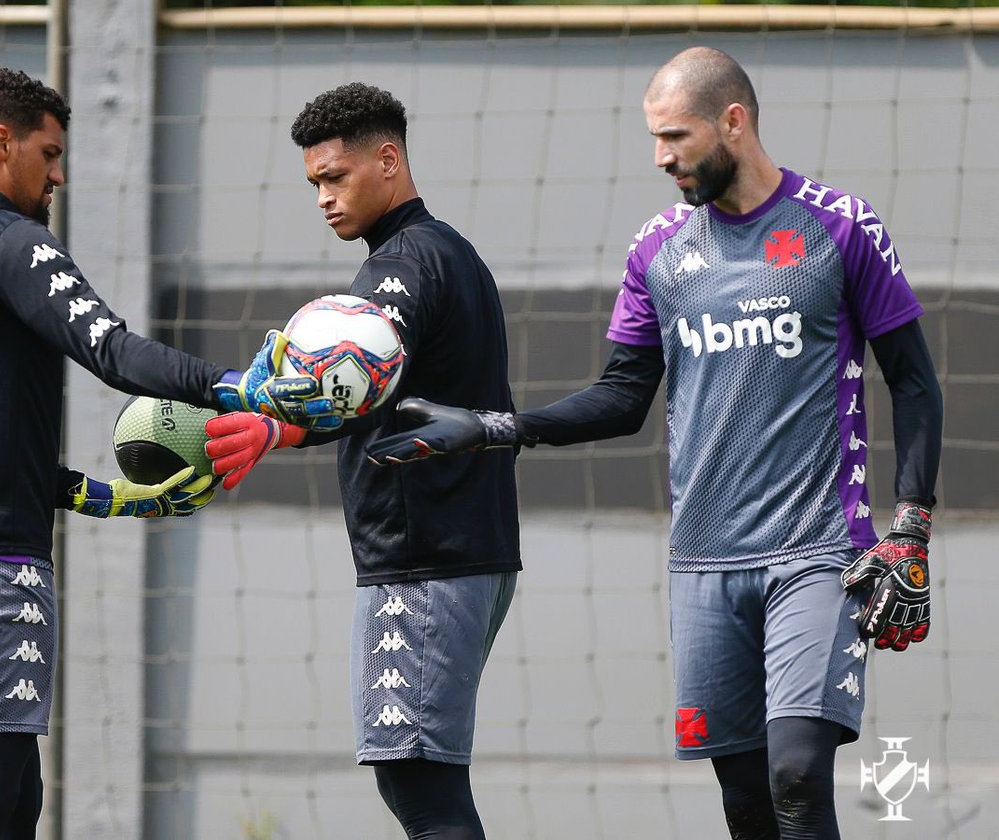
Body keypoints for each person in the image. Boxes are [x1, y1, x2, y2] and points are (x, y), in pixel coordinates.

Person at [364, 47, 943, 839]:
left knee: (797, 777)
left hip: (818, 552)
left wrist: (910, 526)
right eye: (654, 138)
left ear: (732, 122)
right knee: (745, 802)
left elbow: (913, 379)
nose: (660, 157)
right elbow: (620, 397)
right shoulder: (657, 249)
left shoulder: (840, 225)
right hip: (701, 562)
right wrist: (495, 428)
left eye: (674, 136)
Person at [0, 67, 312, 840]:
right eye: (48, 154)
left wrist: (103, 496)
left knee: (15, 796)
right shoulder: (11, 242)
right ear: (1, 142)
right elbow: (111, 348)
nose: (59, 175)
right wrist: (236, 387)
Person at [207, 82, 521, 839]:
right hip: (458, 552)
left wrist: (269, 416)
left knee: (419, 786)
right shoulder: (448, 251)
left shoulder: (398, 268)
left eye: (334, 177)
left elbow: (350, 384)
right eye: (313, 184)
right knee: (421, 780)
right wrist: (281, 430)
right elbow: (369, 396)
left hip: (425, 557)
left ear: (388, 161)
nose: (323, 198)